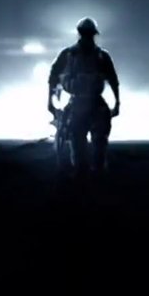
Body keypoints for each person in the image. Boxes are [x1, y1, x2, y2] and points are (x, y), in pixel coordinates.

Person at [47, 17, 120, 177]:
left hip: (91, 104)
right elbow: (53, 77)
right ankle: (84, 177)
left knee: (97, 145)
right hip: (80, 103)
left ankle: (93, 176)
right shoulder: (69, 55)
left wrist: (117, 104)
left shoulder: (100, 56)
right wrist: (50, 103)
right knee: (80, 145)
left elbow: (113, 80)